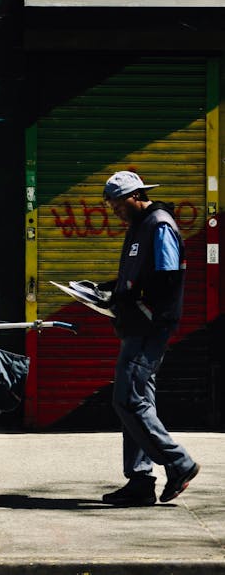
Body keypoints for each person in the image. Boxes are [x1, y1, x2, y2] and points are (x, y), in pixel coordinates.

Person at [100, 170, 199, 506]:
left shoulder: (158, 225)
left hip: (148, 328)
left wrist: (137, 304)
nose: (114, 210)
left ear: (134, 196)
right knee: (139, 400)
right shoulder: (139, 227)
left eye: (116, 203)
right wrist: (109, 290)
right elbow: (137, 276)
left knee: (127, 399)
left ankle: (179, 463)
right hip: (136, 326)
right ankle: (141, 481)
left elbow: (167, 280)